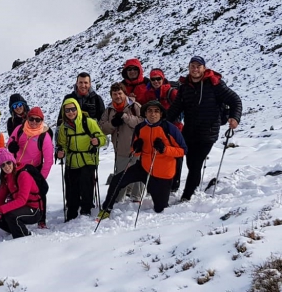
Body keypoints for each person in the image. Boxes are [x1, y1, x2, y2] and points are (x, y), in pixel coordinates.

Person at [167, 56, 242, 201]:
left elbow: (235, 100)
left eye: (198, 66)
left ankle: (186, 196)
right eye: (192, 66)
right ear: (189, 68)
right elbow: (175, 109)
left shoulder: (215, 85)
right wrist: (162, 123)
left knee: (196, 164)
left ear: (204, 68)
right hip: (189, 132)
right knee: (191, 163)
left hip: (208, 132)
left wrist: (235, 118)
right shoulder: (184, 87)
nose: (195, 69)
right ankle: (194, 185)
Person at [98, 101, 188, 219]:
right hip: (144, 168)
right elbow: (134, 150)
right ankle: (106, 209)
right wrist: (137, 147)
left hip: (162, 173)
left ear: (161, 114)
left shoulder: (169, 128)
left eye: (156, 111)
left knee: (160, 208)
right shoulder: (140, 128)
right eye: (149, 111)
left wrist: (165, 149)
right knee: (117, 180)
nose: (153, 114)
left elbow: (183, 150)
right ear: (145, 113)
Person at [56, 98, 106, 220]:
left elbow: (103, 138)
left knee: (86, 184)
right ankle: (72, 213)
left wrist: (97, 141)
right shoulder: (64, 127)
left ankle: (86, 210)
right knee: (71, 187)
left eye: (73, 109)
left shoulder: (88, 122)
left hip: (88, 159)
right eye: (67, 110)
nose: (70, 112)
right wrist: (60, 152)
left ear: (77, 109)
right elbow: (62, 144)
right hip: (72, 161)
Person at [7, 106, 54, 228]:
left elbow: (48, 160)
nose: (34, 122)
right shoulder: (19, 129)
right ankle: (12, 216)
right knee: (14, 191)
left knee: (39, 193)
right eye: (31, 119)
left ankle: (41, 219)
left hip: (33, 170)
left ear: (41, 121)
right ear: (27, 118)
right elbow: (10, 141)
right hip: (16, 168)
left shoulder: (44, 136)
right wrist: (11, 145)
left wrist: (41, 178)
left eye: (37, 120)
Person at [98, 82, 143, 203]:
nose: (117, 96)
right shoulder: (109, 111)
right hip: (120, 150)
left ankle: (137, 198)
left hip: (137, 148)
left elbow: (142, 122)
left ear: (125, 93)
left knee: (138, 175)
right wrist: (112, 124)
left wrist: (126, 117)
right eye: (114, 94)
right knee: (120, 176)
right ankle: (119, 200)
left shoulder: (135, 107)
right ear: (111, 96)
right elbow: (101, 128)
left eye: (120, 93)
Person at [143, 68, 184, 192]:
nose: (156, 81)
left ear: (163, 78)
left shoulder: (171, 92)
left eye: (158, 79)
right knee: (161, 154)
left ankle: (174, 183)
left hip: (175, 128)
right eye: (153, 79)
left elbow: (182, 105)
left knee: (176, 154)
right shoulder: (148, 94)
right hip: (158, 129)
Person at [0, 148, 42, 238]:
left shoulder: (23, 175)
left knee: (10, 214)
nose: (6, 167)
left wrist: (0, 210)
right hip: (21, 207)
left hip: (34, 210)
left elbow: (22, 200)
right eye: (3, 165)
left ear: (13, 162)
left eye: (8, 163)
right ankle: (14, 228)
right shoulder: (6, 177)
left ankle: (22, 236)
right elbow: (0, 197)